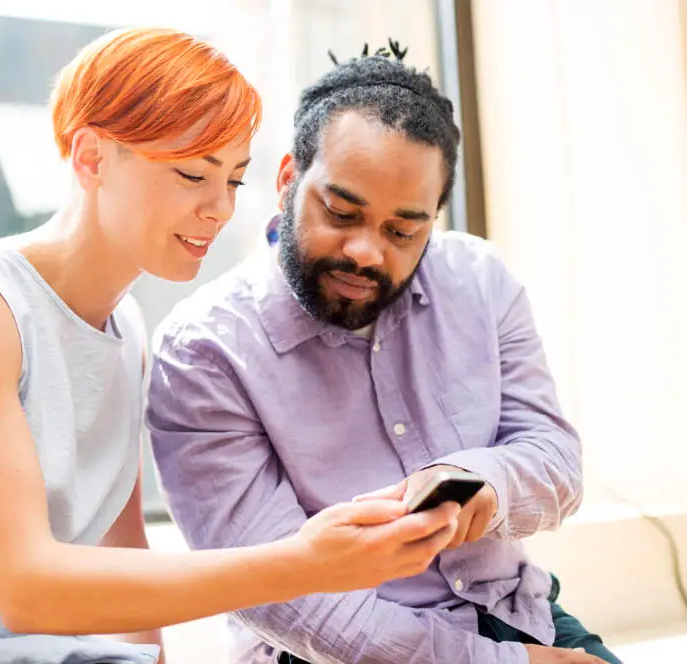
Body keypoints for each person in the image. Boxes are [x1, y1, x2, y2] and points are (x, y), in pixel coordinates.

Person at [0, 29, 462, 664]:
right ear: (91, 157)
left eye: (233, 179)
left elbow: (123, 554)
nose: (220, 208)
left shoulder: (125, 333)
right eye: (191, 175)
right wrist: (306, 564)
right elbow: (25, 589)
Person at [146, 42, 623, 664]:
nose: (368, 252)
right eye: (342, 212)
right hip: (322, 651)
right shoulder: (204, 350)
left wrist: (483, 486)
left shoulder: (477, 278)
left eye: (403, 230)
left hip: (511, 608)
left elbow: (556, 460)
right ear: (289, 179)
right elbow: (280, 599)